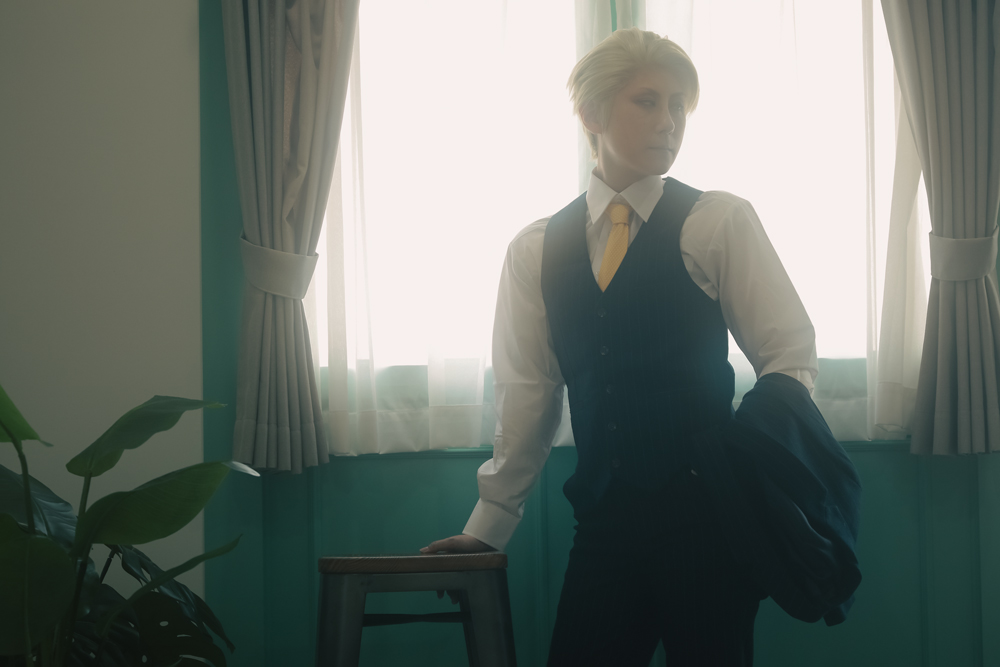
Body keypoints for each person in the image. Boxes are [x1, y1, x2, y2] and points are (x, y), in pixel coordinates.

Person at [420, 26, 818, 666]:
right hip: (604, 528)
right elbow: (527, 399)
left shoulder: (718, 220)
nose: (669, 122)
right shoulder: (535, 249)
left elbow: (790, 355)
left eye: (678, 105)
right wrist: (486, 530)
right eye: (648, 101)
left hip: (710, 527)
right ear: (591, 113)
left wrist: (756, 471)